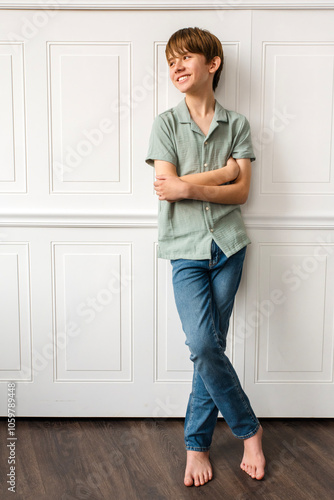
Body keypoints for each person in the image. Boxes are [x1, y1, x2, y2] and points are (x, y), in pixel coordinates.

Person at [145, 26, 266, 487]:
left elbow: (242, 192)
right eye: (170, 59)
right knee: (203, 344)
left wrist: (193, 186)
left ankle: (196, 445)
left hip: (230, 248)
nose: (175, 65)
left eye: (185, 57)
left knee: (207, 348)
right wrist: (222, 173)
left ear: (211, 64)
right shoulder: (164, 124)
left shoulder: (237, 124)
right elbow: (166, 189)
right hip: (185, 251)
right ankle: (249, 430)